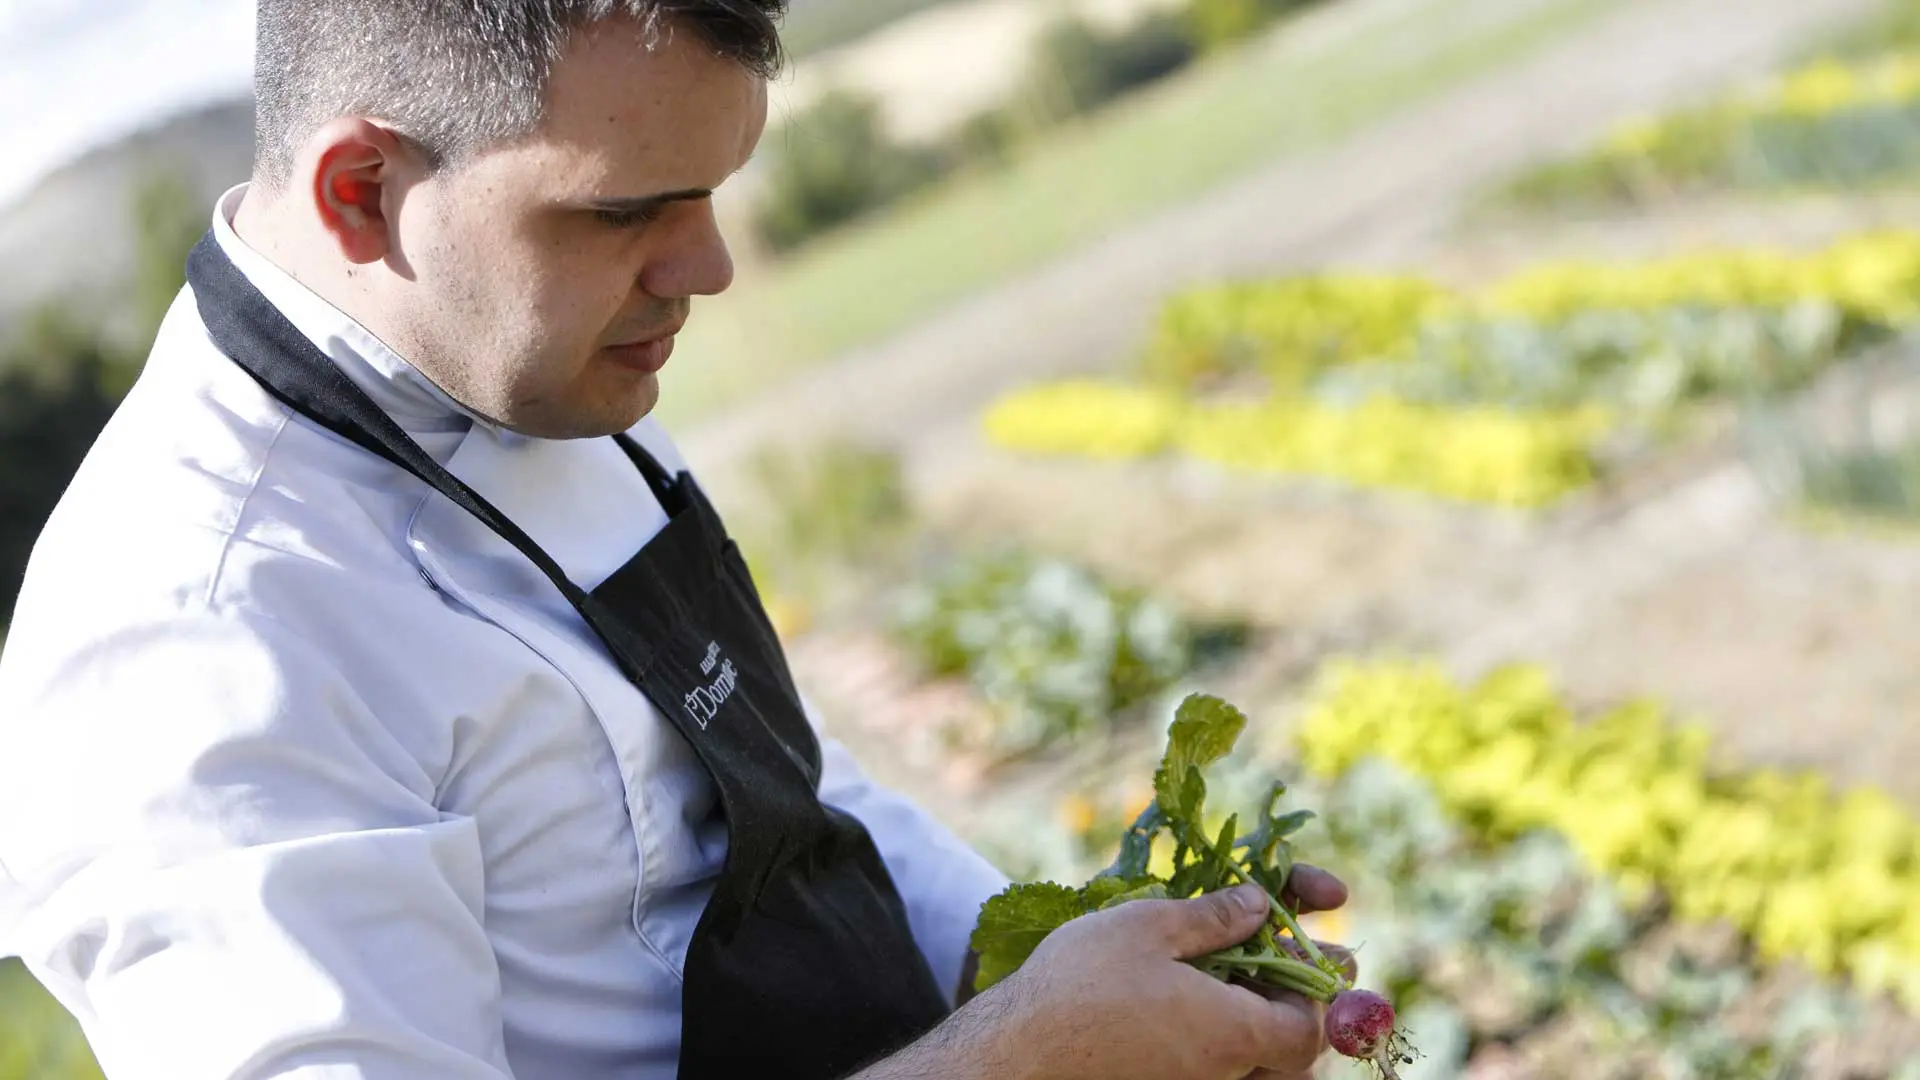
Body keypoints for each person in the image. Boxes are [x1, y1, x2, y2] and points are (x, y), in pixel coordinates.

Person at [0, 3, 1354, 1078]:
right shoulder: (193, 644)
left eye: (711, 191)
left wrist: (1098, 965)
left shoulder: (533, 364)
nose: (707, 269)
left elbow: (794, 799)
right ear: (362, 192)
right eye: (623, 210)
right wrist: (1036, 1057)